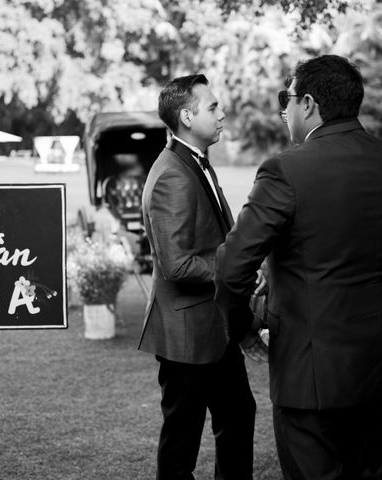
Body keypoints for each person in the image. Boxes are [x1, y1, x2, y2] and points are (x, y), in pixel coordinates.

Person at [215, 55, 382, 480]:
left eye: (285, 99)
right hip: (374, 365)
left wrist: (244, 329)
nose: (282, 110)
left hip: (309, 373)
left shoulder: (286, 168)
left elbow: (233, 266)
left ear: (308, 103)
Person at [138, 74, 256, 480]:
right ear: (187, 116)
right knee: (182, 441)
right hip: (186, 333)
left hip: (213, 325)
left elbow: (214, 236)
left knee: (239, 414)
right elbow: (177, 265)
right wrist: (234, 273)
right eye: (213, 108)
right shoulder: (173, 173)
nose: (222, 114)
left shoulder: (195, 162)